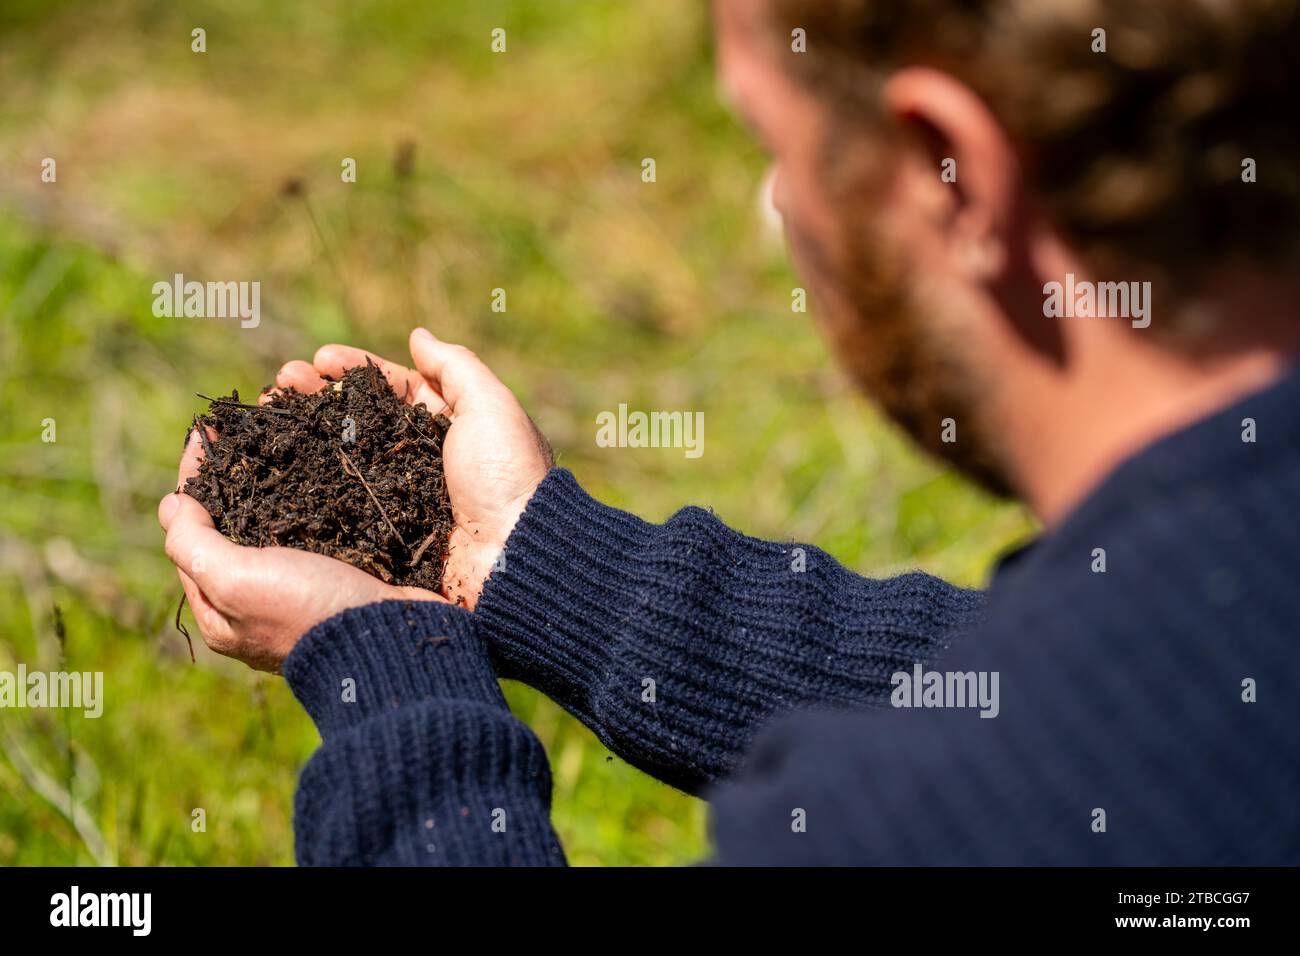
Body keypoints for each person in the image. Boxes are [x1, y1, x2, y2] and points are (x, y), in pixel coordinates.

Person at [158, 0, 1300, 865]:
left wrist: (392, 686)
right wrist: (535, 563)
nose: (771, 213)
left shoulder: (916, 830)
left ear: (953, 178)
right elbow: (1052, 697)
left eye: (773, 143)